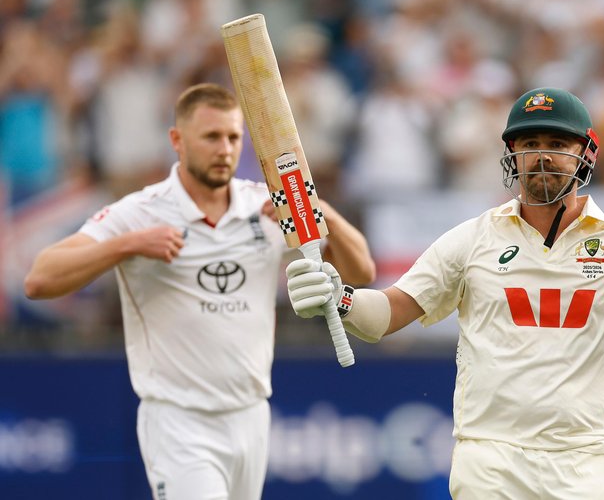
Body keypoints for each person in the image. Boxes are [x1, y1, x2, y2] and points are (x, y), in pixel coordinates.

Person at [285, 87, 604, 499]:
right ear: (511, 155)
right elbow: (388, 314)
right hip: (491, 462)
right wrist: (341, 298)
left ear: (587, 153)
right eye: (529, 142)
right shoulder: (473, 238)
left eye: (557, 143)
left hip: (589, 465)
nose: (541, 155)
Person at [24, 83, 376, 500]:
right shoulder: (141, 212)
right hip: (178, 420)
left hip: (251, 414)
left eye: (233, 137)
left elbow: (362, 270)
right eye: (211, 137)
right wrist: (128, 245)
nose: (224, 148)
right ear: (177, 140)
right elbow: (39, 279)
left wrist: (314, 206)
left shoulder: (265, 205)